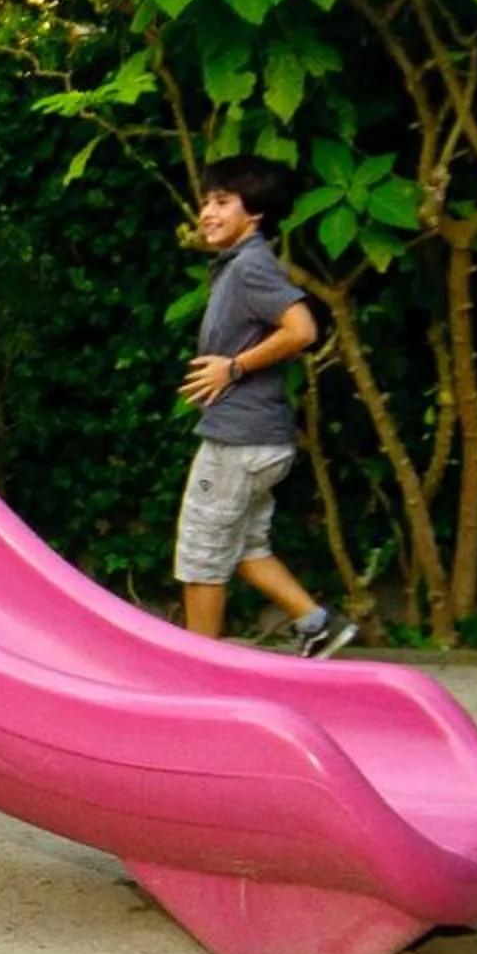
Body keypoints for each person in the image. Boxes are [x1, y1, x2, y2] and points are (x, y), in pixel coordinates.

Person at [173, 158, 354, 655]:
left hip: (239, 441)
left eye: (222, 202)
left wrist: (233, 368)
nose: (207, 211)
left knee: (201, 554)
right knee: (246, 546)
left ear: (253, 214)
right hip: (257, 439)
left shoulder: (250, 267)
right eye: (207, 201)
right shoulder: (238, 265)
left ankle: (197, 671)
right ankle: (318, 623)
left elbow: (302, 329)